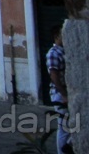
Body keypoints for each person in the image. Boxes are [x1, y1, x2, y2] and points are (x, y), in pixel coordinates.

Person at [46, 24, 73, 154]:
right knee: (64, 126)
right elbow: (54, 75)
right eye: (63, 34)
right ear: (57, 36)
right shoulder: (53, 53)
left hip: (67, 92)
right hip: (60, 94)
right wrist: (64, 94)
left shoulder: (65, 51)